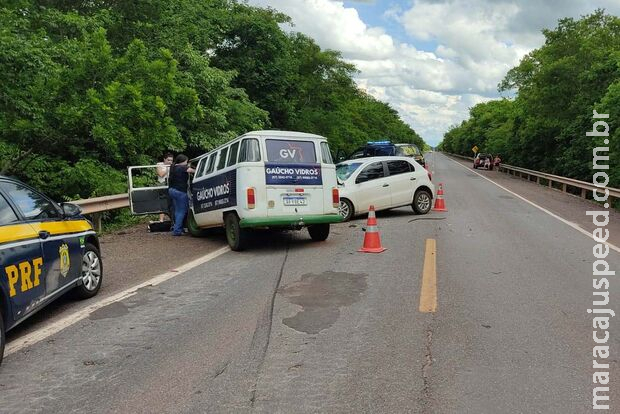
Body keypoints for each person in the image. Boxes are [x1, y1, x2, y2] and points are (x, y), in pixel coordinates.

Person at [167, 154, 195, 236]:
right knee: (182, 211)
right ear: (182, 161)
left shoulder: (173, 168)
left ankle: (177, 228)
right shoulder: (182, 168)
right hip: (180, 192)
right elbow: (193, 171)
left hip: (172, 190)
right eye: (186, 161)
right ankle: (177, 230)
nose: (187, 163)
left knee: (177, 211)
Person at [157, 153, 173, 222]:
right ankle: (161, 219)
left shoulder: (172, 165)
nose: (170, 162)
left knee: (171, 201)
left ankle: (172, 218)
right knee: (163, 201)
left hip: (171, 184)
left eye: (171, 160)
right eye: (168, 160)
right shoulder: (159, 164)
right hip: (162, 184)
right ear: (164, 159)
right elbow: (161, 174)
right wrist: (168, 168)